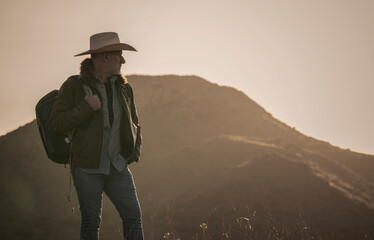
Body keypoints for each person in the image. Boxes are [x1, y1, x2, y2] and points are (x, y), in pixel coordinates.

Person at [50, 32, 143, 240]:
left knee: (133, 217)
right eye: (120, 54)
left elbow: (135, 122)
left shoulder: (124, 88)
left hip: (118, 166)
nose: (123, 60)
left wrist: (133, 151)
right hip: (86, 169)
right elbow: (56, 122)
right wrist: (86, 107)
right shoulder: (73, 86)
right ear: (106, 56)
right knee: (91, 222)